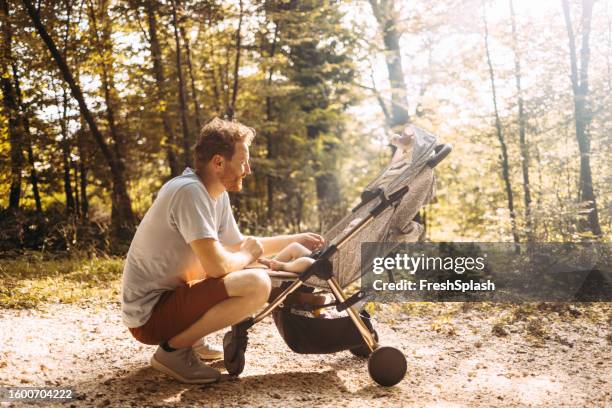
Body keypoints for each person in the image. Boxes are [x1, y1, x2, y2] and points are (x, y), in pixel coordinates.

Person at [120, 118, 324, 384]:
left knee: (251, 270)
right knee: (256, 284)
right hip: (149, 317)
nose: (248, 170)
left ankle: (192, 339)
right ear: (218, 162)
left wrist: (294, 239)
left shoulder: (214, 194)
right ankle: (174, 351)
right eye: (242, 162)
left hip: (173, 299)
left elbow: (238, 245)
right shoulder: (189, 192)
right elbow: (220, 265)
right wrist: (249, 258)